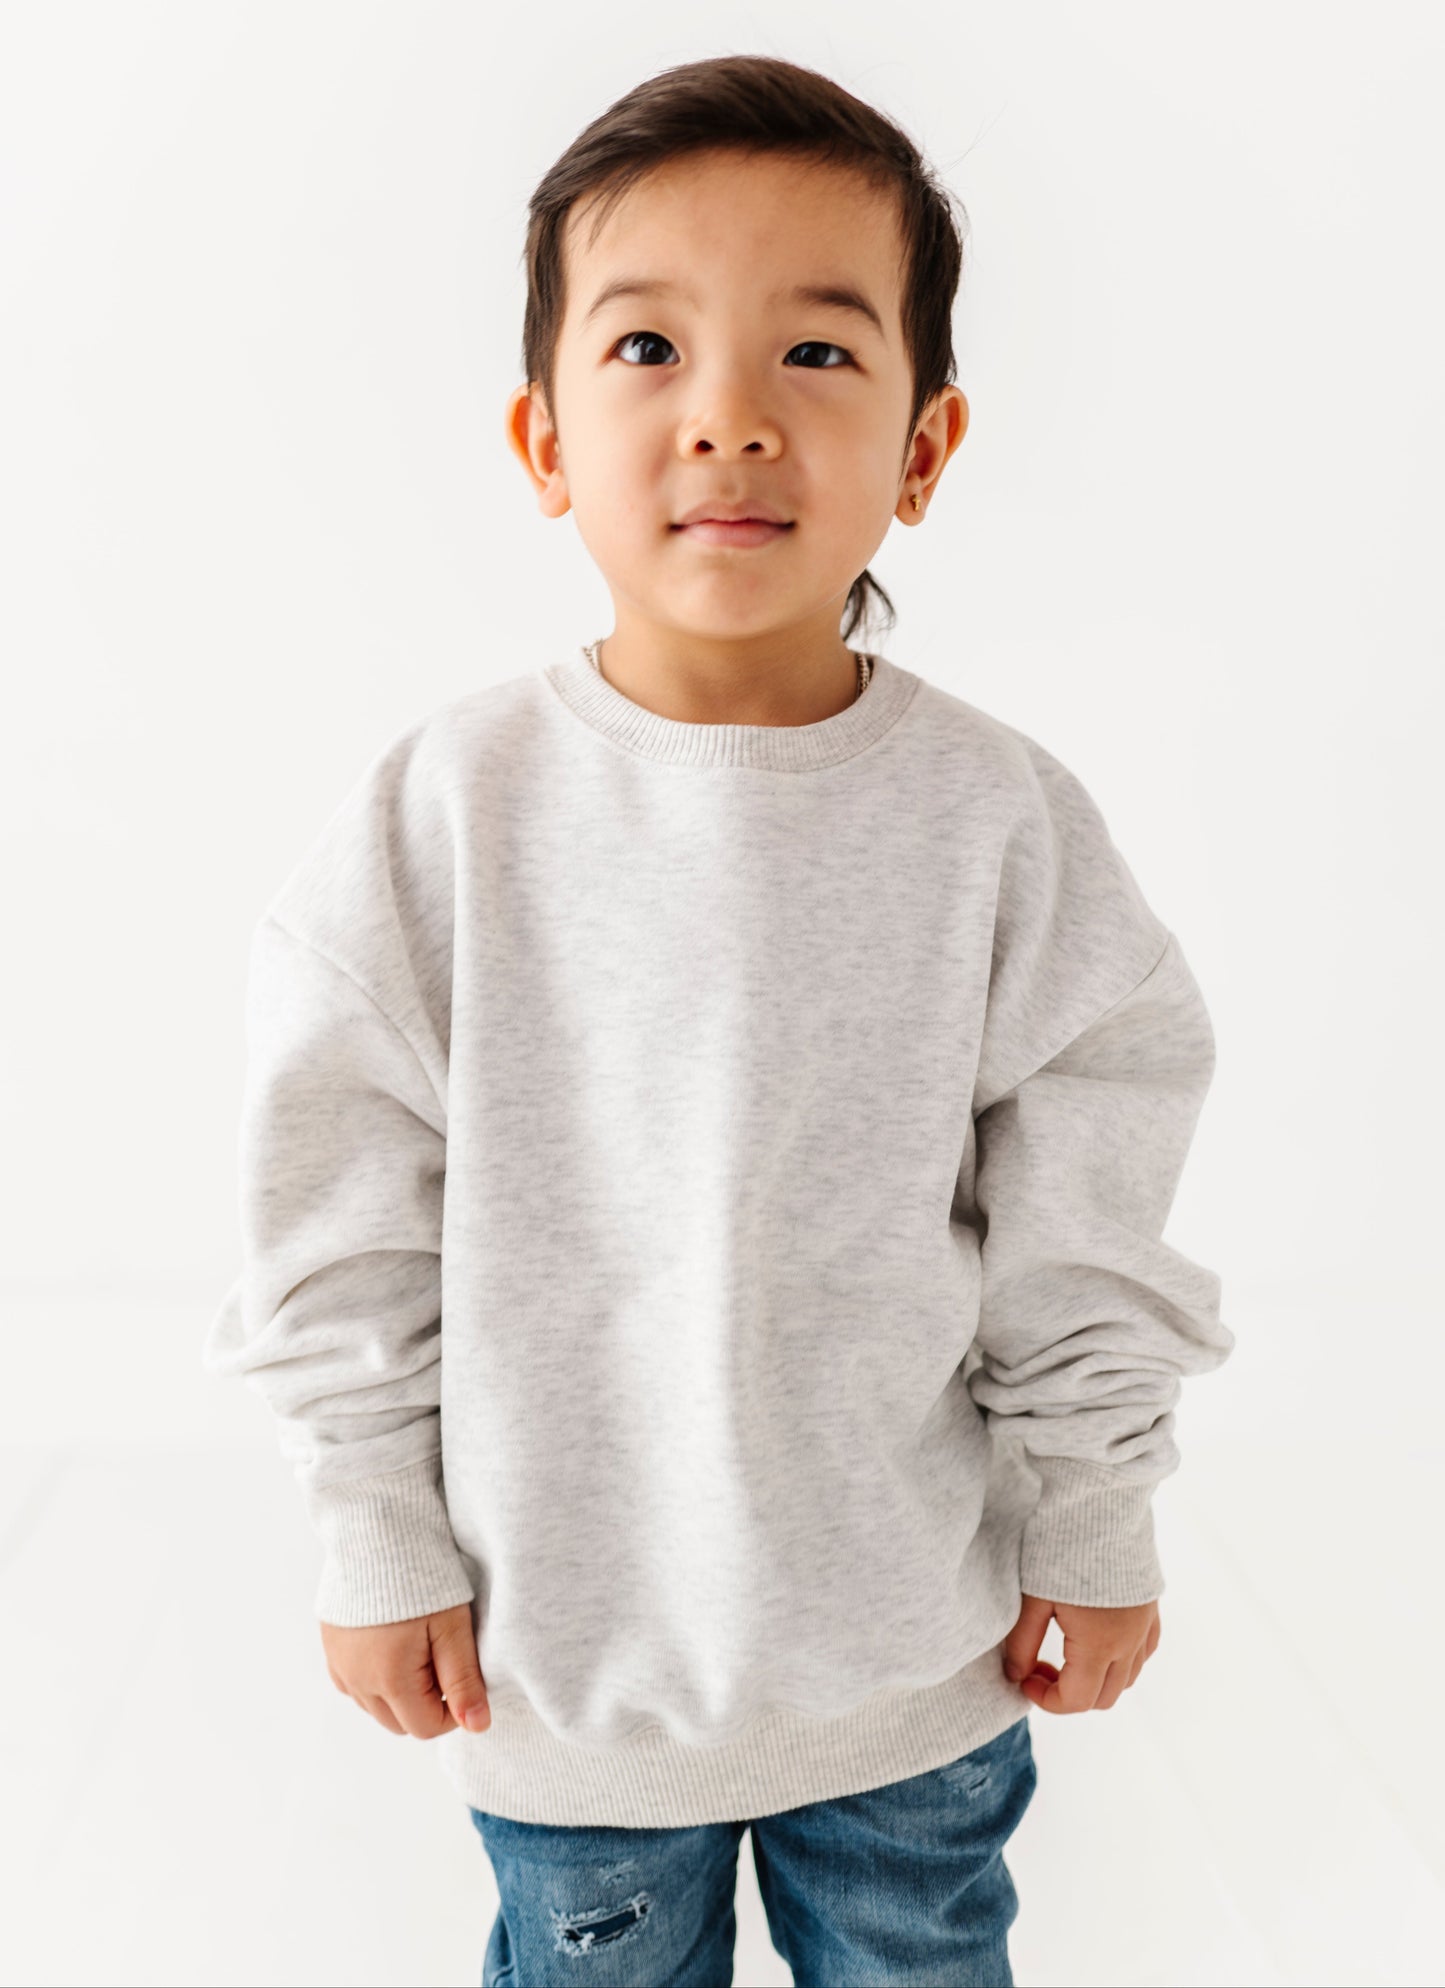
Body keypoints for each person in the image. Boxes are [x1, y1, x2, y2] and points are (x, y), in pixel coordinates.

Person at [203, 52, 1234, 1988]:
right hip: (564, 1659)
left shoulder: (1000, 826)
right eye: (652, 347)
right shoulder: (445, 819)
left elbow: (1087, 1215)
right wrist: (373, 1531)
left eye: (820, 358)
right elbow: (335, 1219)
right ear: (542, 439)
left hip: (911, 1663)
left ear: (926, 448)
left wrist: (1097, 1515)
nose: (732, 420)